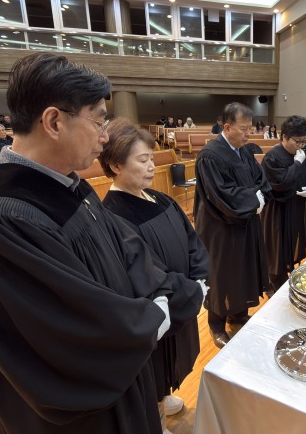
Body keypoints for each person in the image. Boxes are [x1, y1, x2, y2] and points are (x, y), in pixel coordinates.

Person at [0, 52, 203, 433]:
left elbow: (126, 249)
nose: (105, 136)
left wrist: (175, 291)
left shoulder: (70, 186)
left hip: (125, 391)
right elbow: (71, 336)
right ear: (54, 122)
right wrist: (153, 317)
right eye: (98, 121)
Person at [100, 121, 208, 434]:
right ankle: (156, 420)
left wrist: (200, 278)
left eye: (151, 158)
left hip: (184, 293)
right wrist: (191, 291)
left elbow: (192, 240)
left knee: (173, 360)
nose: (152, 166)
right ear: (116, 165)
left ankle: (164, 395)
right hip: (160, 306)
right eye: (143, 160)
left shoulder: (159, 198)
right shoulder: (113, 216)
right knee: (155, 366)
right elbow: (148, 271)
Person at [194, 102, 271, 349]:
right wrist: (254, 199)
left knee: (243, 268)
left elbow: (260, 179)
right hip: (220, 226)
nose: (249, 134)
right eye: (244, 129)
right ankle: (216, 324)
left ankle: (237, 313)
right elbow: (221, 194)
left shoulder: (244, 151)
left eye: (251, 128)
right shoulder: (210, 156)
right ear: (227, 127)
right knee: (221, 273)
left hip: (245, 221)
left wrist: (257, 197)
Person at [261, 115, 306, 293]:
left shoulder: (302, 155)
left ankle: (287, 274)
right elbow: (281, 184)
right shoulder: (272, 157)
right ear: (284, 137)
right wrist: (297, 165)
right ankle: (273, 282)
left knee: (292, 243)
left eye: (303, 141)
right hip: (278, 209)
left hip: (296, 207)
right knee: (276, 247)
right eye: (297, 141)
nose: (300, 146)